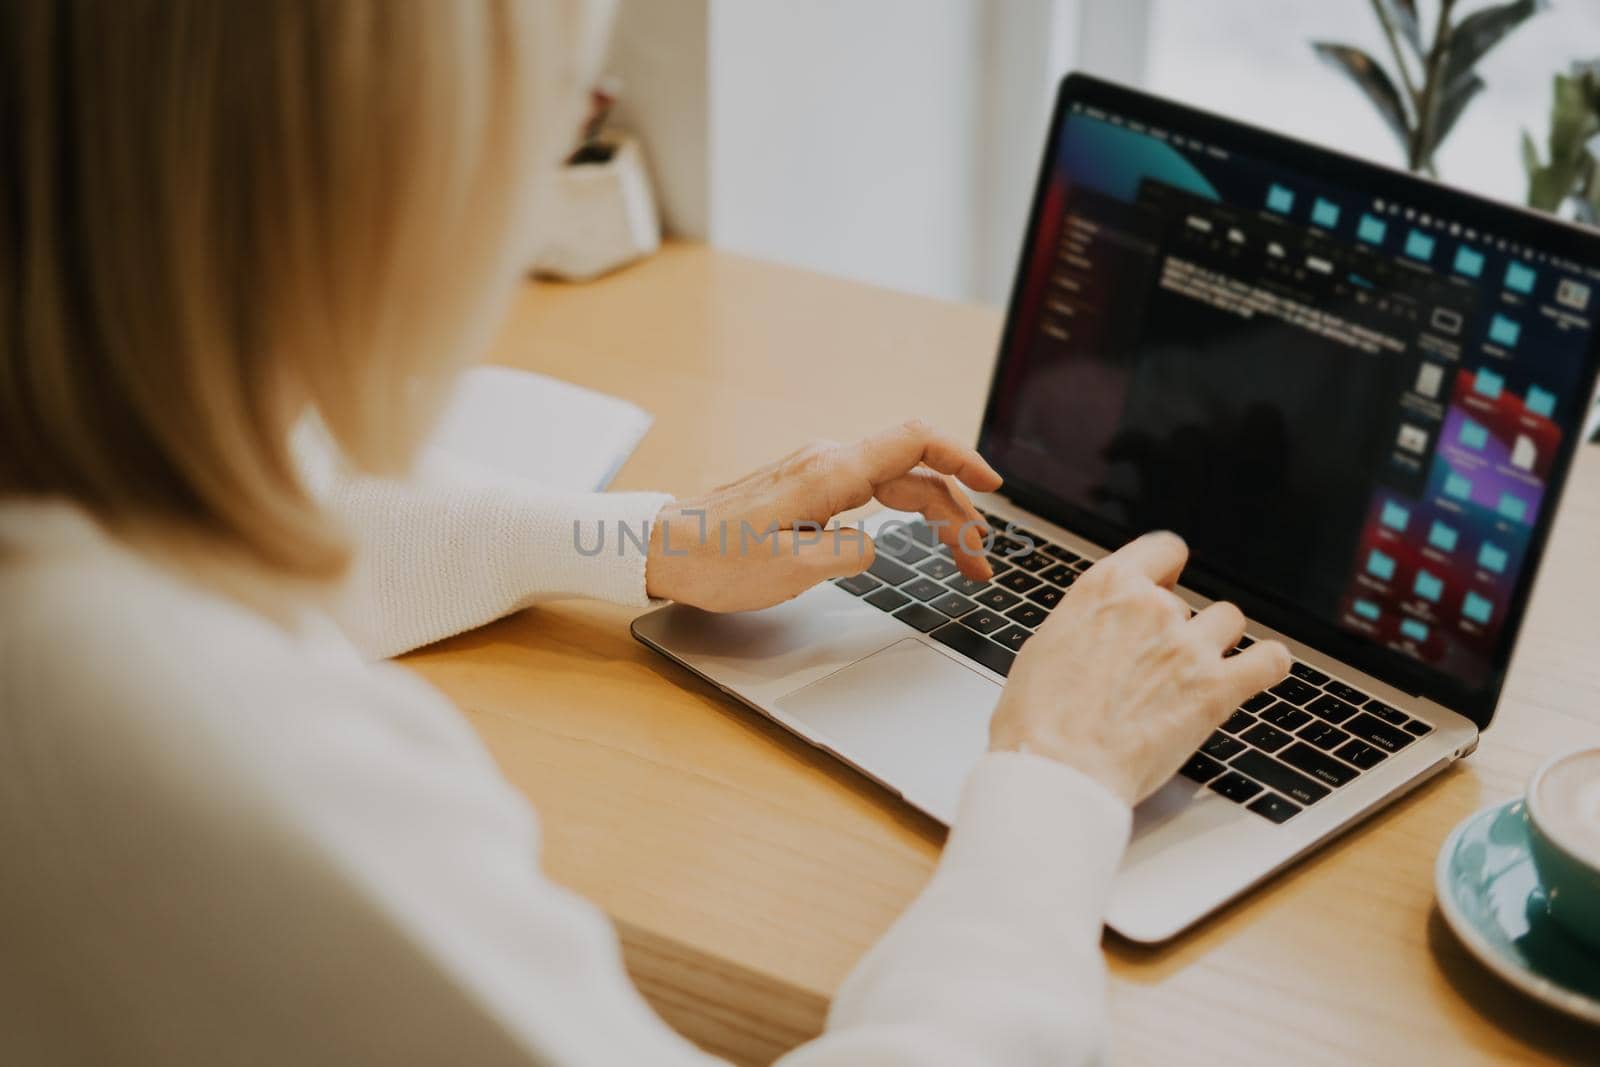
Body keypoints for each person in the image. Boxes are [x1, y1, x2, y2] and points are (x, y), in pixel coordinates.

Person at [0, 2, 1291, 1064]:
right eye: (564, 107)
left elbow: (250, 500)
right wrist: (1056, 779)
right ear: (363, 166)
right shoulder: (204, 738)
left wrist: (646, 541)